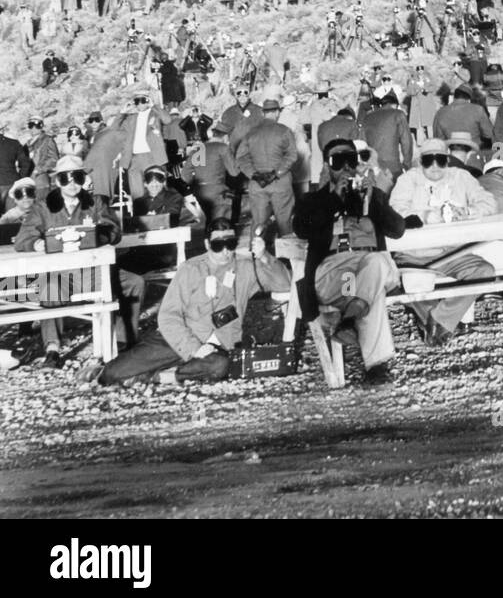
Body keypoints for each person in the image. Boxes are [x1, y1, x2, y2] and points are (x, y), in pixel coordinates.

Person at [98, 220, 292, 386]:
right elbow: (168, 317)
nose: (225, 251)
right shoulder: (190, 269)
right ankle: (152, 369)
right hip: (180, 338)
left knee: (220, 366)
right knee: (111, 374)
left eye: (230, 244)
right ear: (208, 244)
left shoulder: (246, 266)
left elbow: (284, 284)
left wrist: (264, 256)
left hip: (222, 342)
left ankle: (161, 376)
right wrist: (194, 348)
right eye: (218, 246)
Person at [294, 138, 406, 386]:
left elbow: (398, 230)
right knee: (366, 289)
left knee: (374, 266)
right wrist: (334, 199)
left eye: (351, 160)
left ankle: (348, 319)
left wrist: (374, 199)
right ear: (326, 165)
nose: (345, 167)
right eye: (337, 161)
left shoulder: (372, 194)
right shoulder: (315, 199)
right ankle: (376, 366)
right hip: (337, 272)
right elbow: (301, 228)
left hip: (369, 264)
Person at [15, 154, 138, 367]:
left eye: (77, 177)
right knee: (49, 287)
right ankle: (52, 348)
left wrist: (95, 237)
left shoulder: (97, 203)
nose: (72, 184)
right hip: (61, 276)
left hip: (94, 273)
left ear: (84, 179)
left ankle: (122, 340)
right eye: (65, 178)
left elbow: (114, 230)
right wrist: (37, 244)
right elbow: (23, 238)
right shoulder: (43, 208)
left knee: (135, 283)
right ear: (57, 181)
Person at [388, 138, 496, 346]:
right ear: (420, 162)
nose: (435, 166)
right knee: (413, 284)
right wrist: (425, 216)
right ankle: (439, 325)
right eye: (428, 160)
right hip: (415, 254)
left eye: (440, 160)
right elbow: (395, 211)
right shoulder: (408, 180)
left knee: (484, 272)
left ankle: (438, 320)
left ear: (447, 160)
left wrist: (468, 212)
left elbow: (489, 202)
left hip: (453, 252)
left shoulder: (461, 177)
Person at [234, 96, 298, 238]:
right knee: (284, 223)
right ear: (277, 112)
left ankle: (256, 256)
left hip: (257, 184)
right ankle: (286, 257)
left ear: (263, 113)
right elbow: (292, 156)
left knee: (258, 223)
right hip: (280, 183)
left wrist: (254, 175)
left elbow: (241, 157)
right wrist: (276, 173)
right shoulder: (284, 131)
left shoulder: (251, 133)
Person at [0, 128, 33, 207]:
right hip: (11, 183)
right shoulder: (13, 143)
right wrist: (20, 179)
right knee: (12, 214)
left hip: (9, 184)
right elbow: (26, 163)